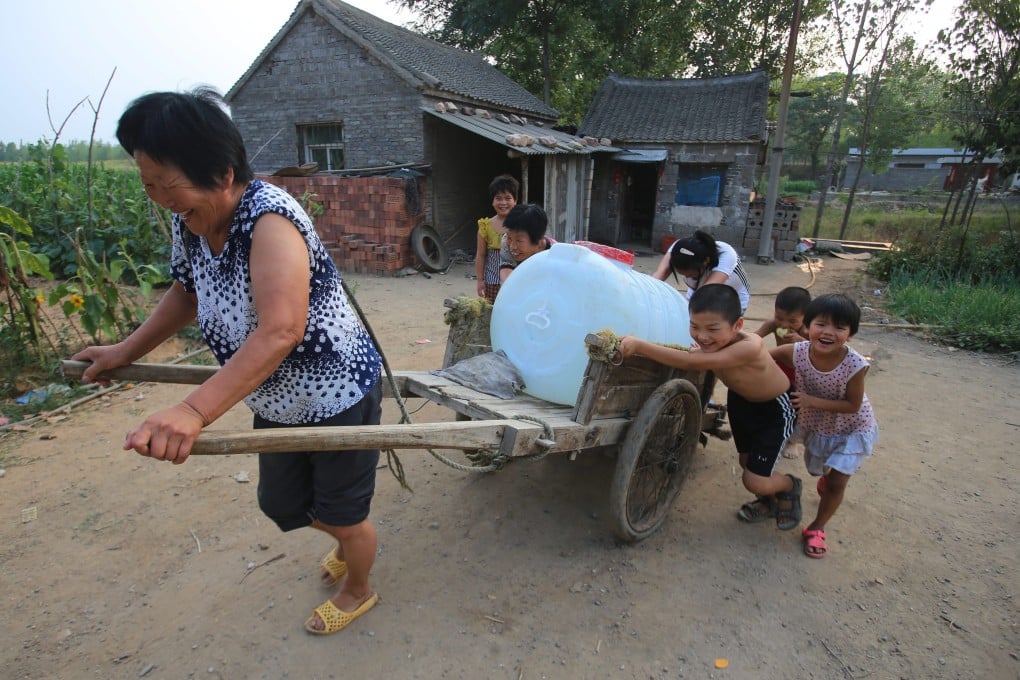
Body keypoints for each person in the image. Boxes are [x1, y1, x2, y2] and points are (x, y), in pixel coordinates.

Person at [71, 88, 383, 635]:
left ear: (221, 173)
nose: (160, 199)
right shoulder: (191, 219)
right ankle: (342, 535)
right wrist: (123, 351)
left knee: (344, 514)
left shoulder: (270, 219)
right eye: (148, 186)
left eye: (167, 185)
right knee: (281, 503)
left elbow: (281, 329)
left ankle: (357, 585)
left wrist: (192, 410)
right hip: (275, 398)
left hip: (337, 396)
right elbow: (187, 294)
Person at [618, 284, 802, 532]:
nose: (702, 336)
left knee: (753, 479)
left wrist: (640, 345)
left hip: (775, 409)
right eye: (694, 326)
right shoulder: (712, 345)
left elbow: (694, 362)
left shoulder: (750, 346)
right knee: (746, 460)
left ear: (737, 325)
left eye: (712, 329)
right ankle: (768, 501)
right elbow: (700, 357)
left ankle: (790, 486)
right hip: (741, 402)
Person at [769, 294, 878, 559]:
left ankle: (817, 528)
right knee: (824, 474)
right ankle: (828, 481)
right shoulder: (796, 352)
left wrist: (809, 400)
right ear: (807, 326)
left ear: (850, 335)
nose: (828, 332)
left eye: (839, 327)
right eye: (821, 324)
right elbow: (757, 356)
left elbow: (852, 405)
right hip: (818, 424)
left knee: (838, 481)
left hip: (852, 427)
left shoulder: (855, 365)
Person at [755, 286, 811, 460]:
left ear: (805, 318)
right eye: (779, 317)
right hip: (780, 367)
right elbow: (755, 337)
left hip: (801, 374)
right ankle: (770, 429)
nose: (784, 325)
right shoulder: (773, 324)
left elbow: (820, 351)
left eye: (793, 321)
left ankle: (792, 441)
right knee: (772, 399)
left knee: (797, 407)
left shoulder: (807, 332)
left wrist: (801, 341)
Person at [652, 230, 751, 313]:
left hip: (731, 300)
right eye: (684, 276)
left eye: (691, 275)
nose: (688, 278)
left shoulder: (727, 255)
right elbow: (659, 275)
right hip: (699, 291)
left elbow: (706, 292)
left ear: (706, 262)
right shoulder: (679, 249)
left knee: (717, 329)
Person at [475, 174, 518, 302]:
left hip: (516, 280)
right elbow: (481, 255)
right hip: (492, 281)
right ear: (492, 201)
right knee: (494, 314)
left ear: (515, 201)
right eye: (498, 198)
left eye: (508, 198)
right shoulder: (485, 226)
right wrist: (480, 280)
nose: (503, 202)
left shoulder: (522, 225)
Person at [498, 203, 556, 282]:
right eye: (510, 238)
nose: (512, 246)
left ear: (539, 244)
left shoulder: (554, 254)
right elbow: (507, 279)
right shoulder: (505, 241)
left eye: (519, 240)